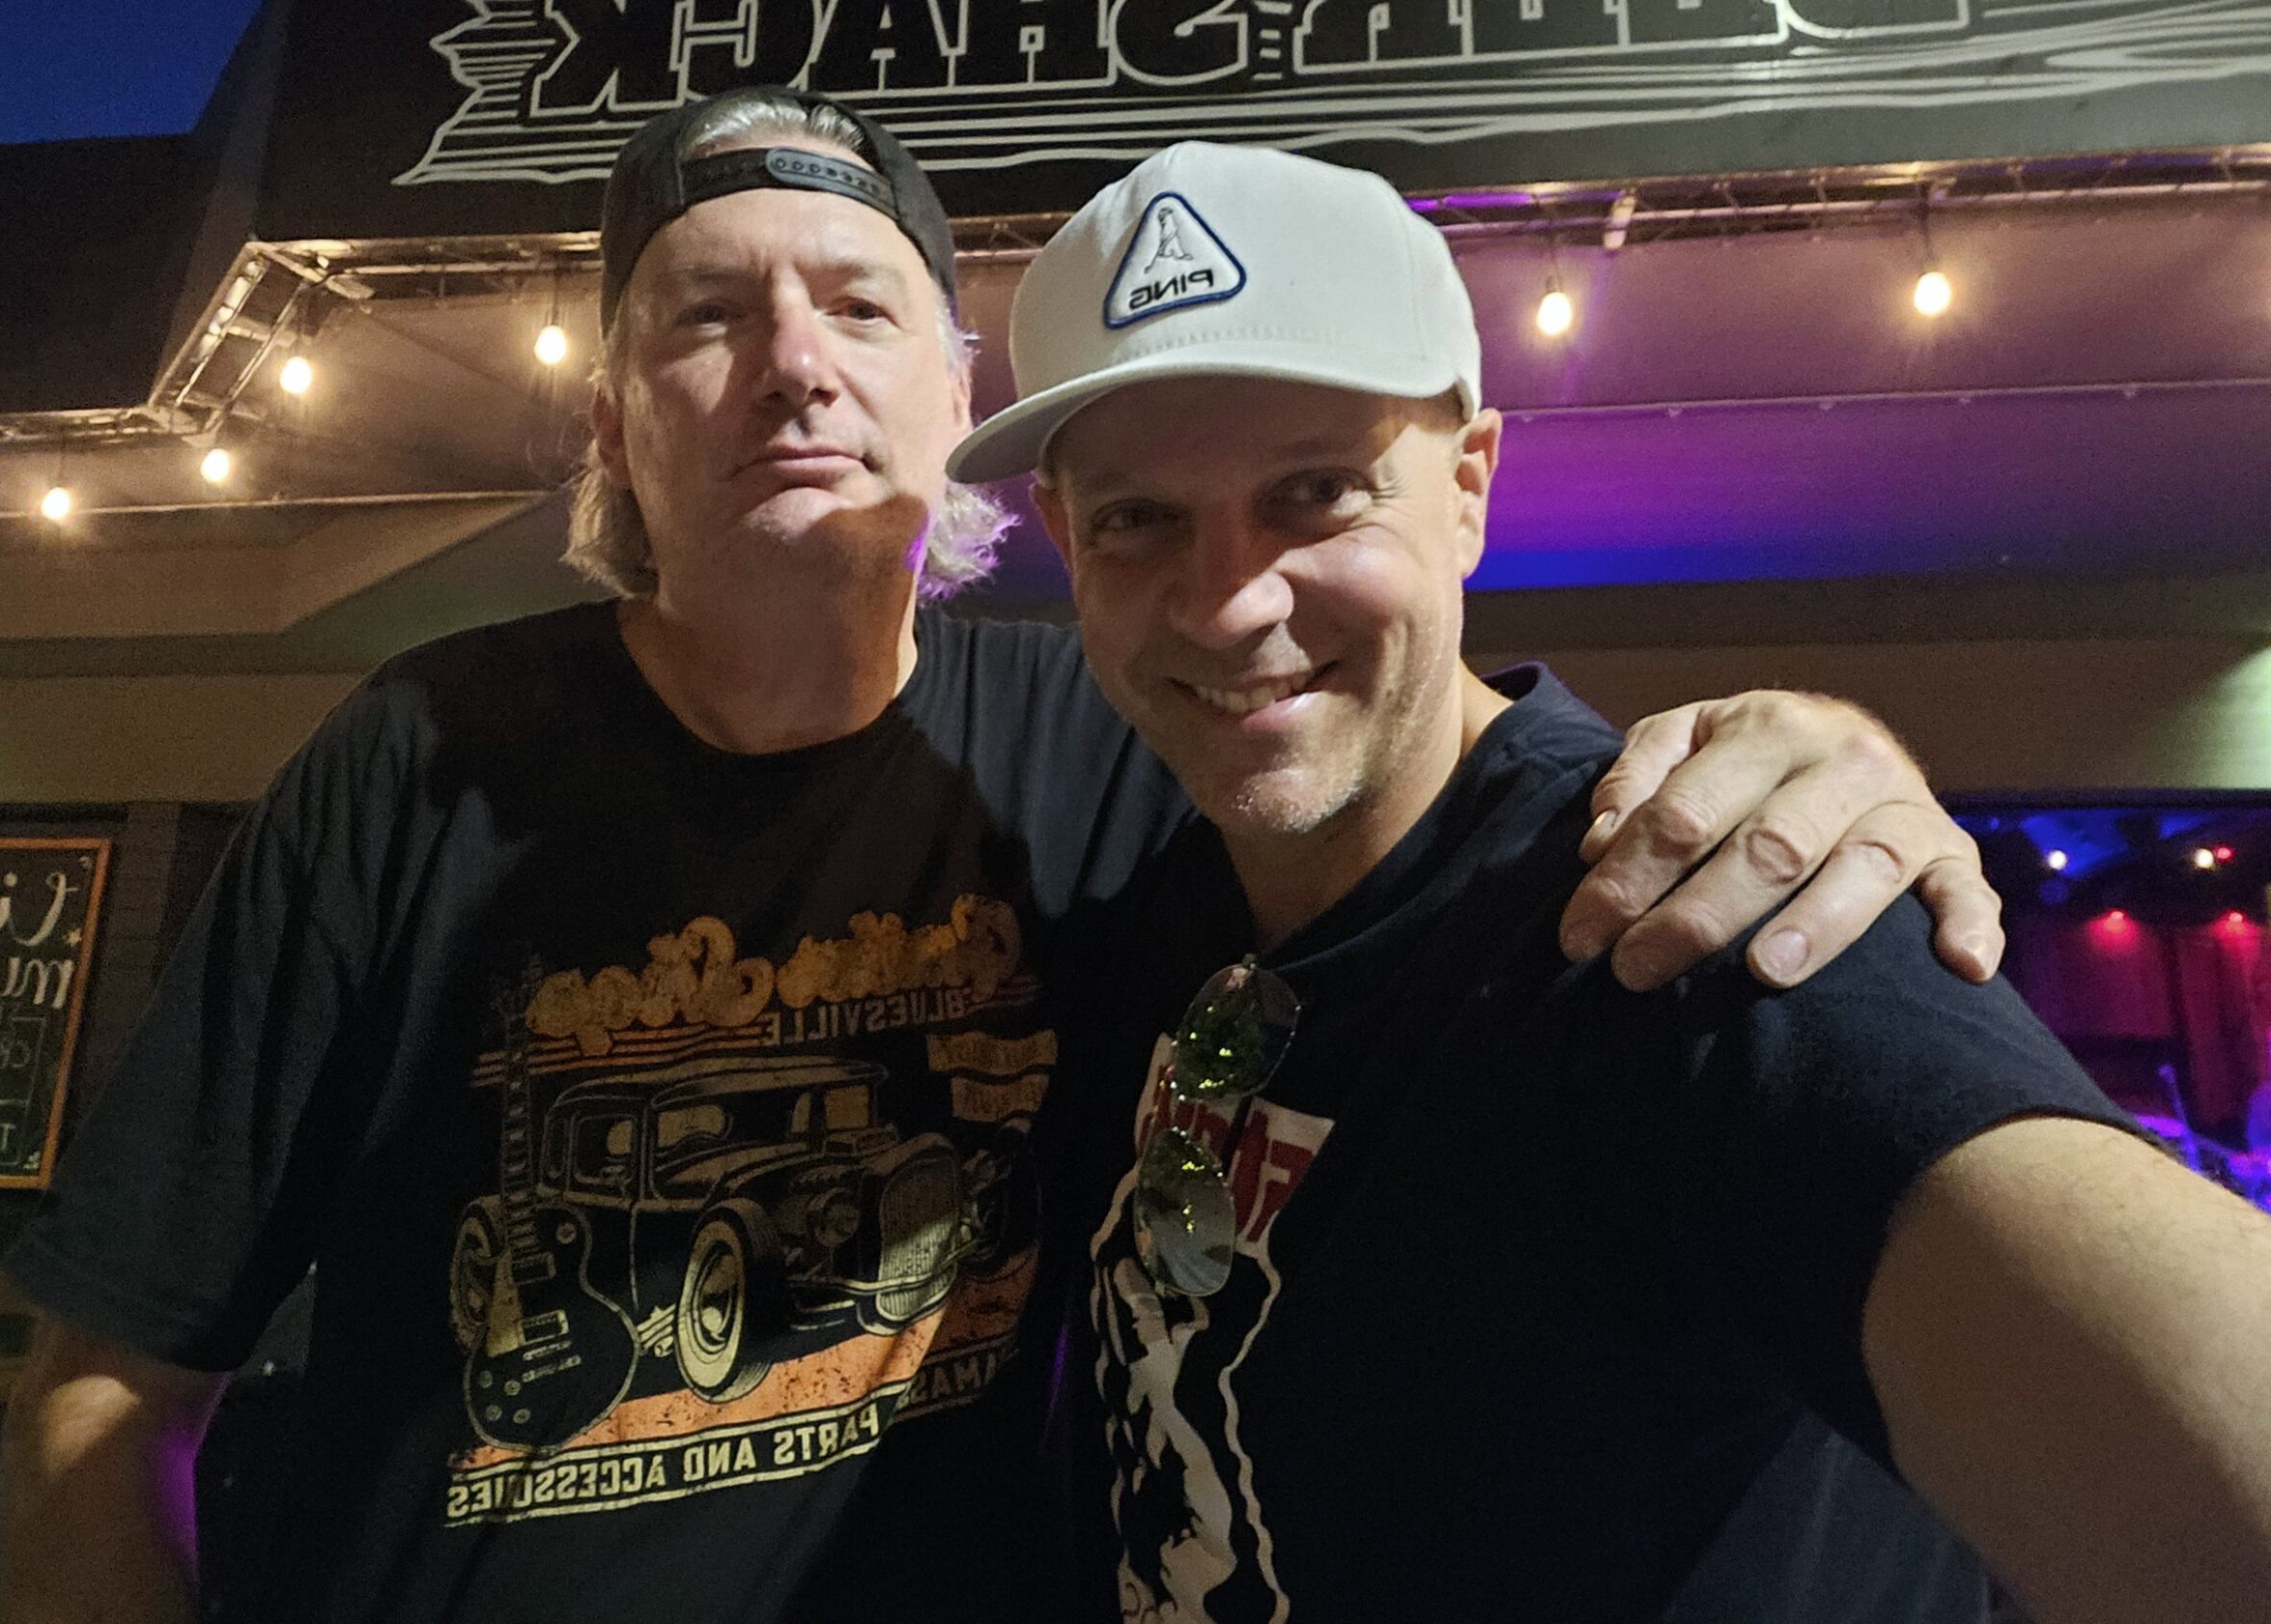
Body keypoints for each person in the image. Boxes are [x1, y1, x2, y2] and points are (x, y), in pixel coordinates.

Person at [0, 89, 2007, 1624]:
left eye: (860, 306)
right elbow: (105, 1385)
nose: (794, 364)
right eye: (707, 315)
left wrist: (1799, 755)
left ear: (958, 403)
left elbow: (1431, 817)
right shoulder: (416, 757)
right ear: (610, 420)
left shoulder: (1124, 740)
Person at [946, 138, 2271, 1622]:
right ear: (1065, 537)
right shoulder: (1155, 900)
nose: (1228, 601)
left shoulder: (1694, 916)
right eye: (1139, 518)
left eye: (1315, 490)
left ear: (1467, 486)